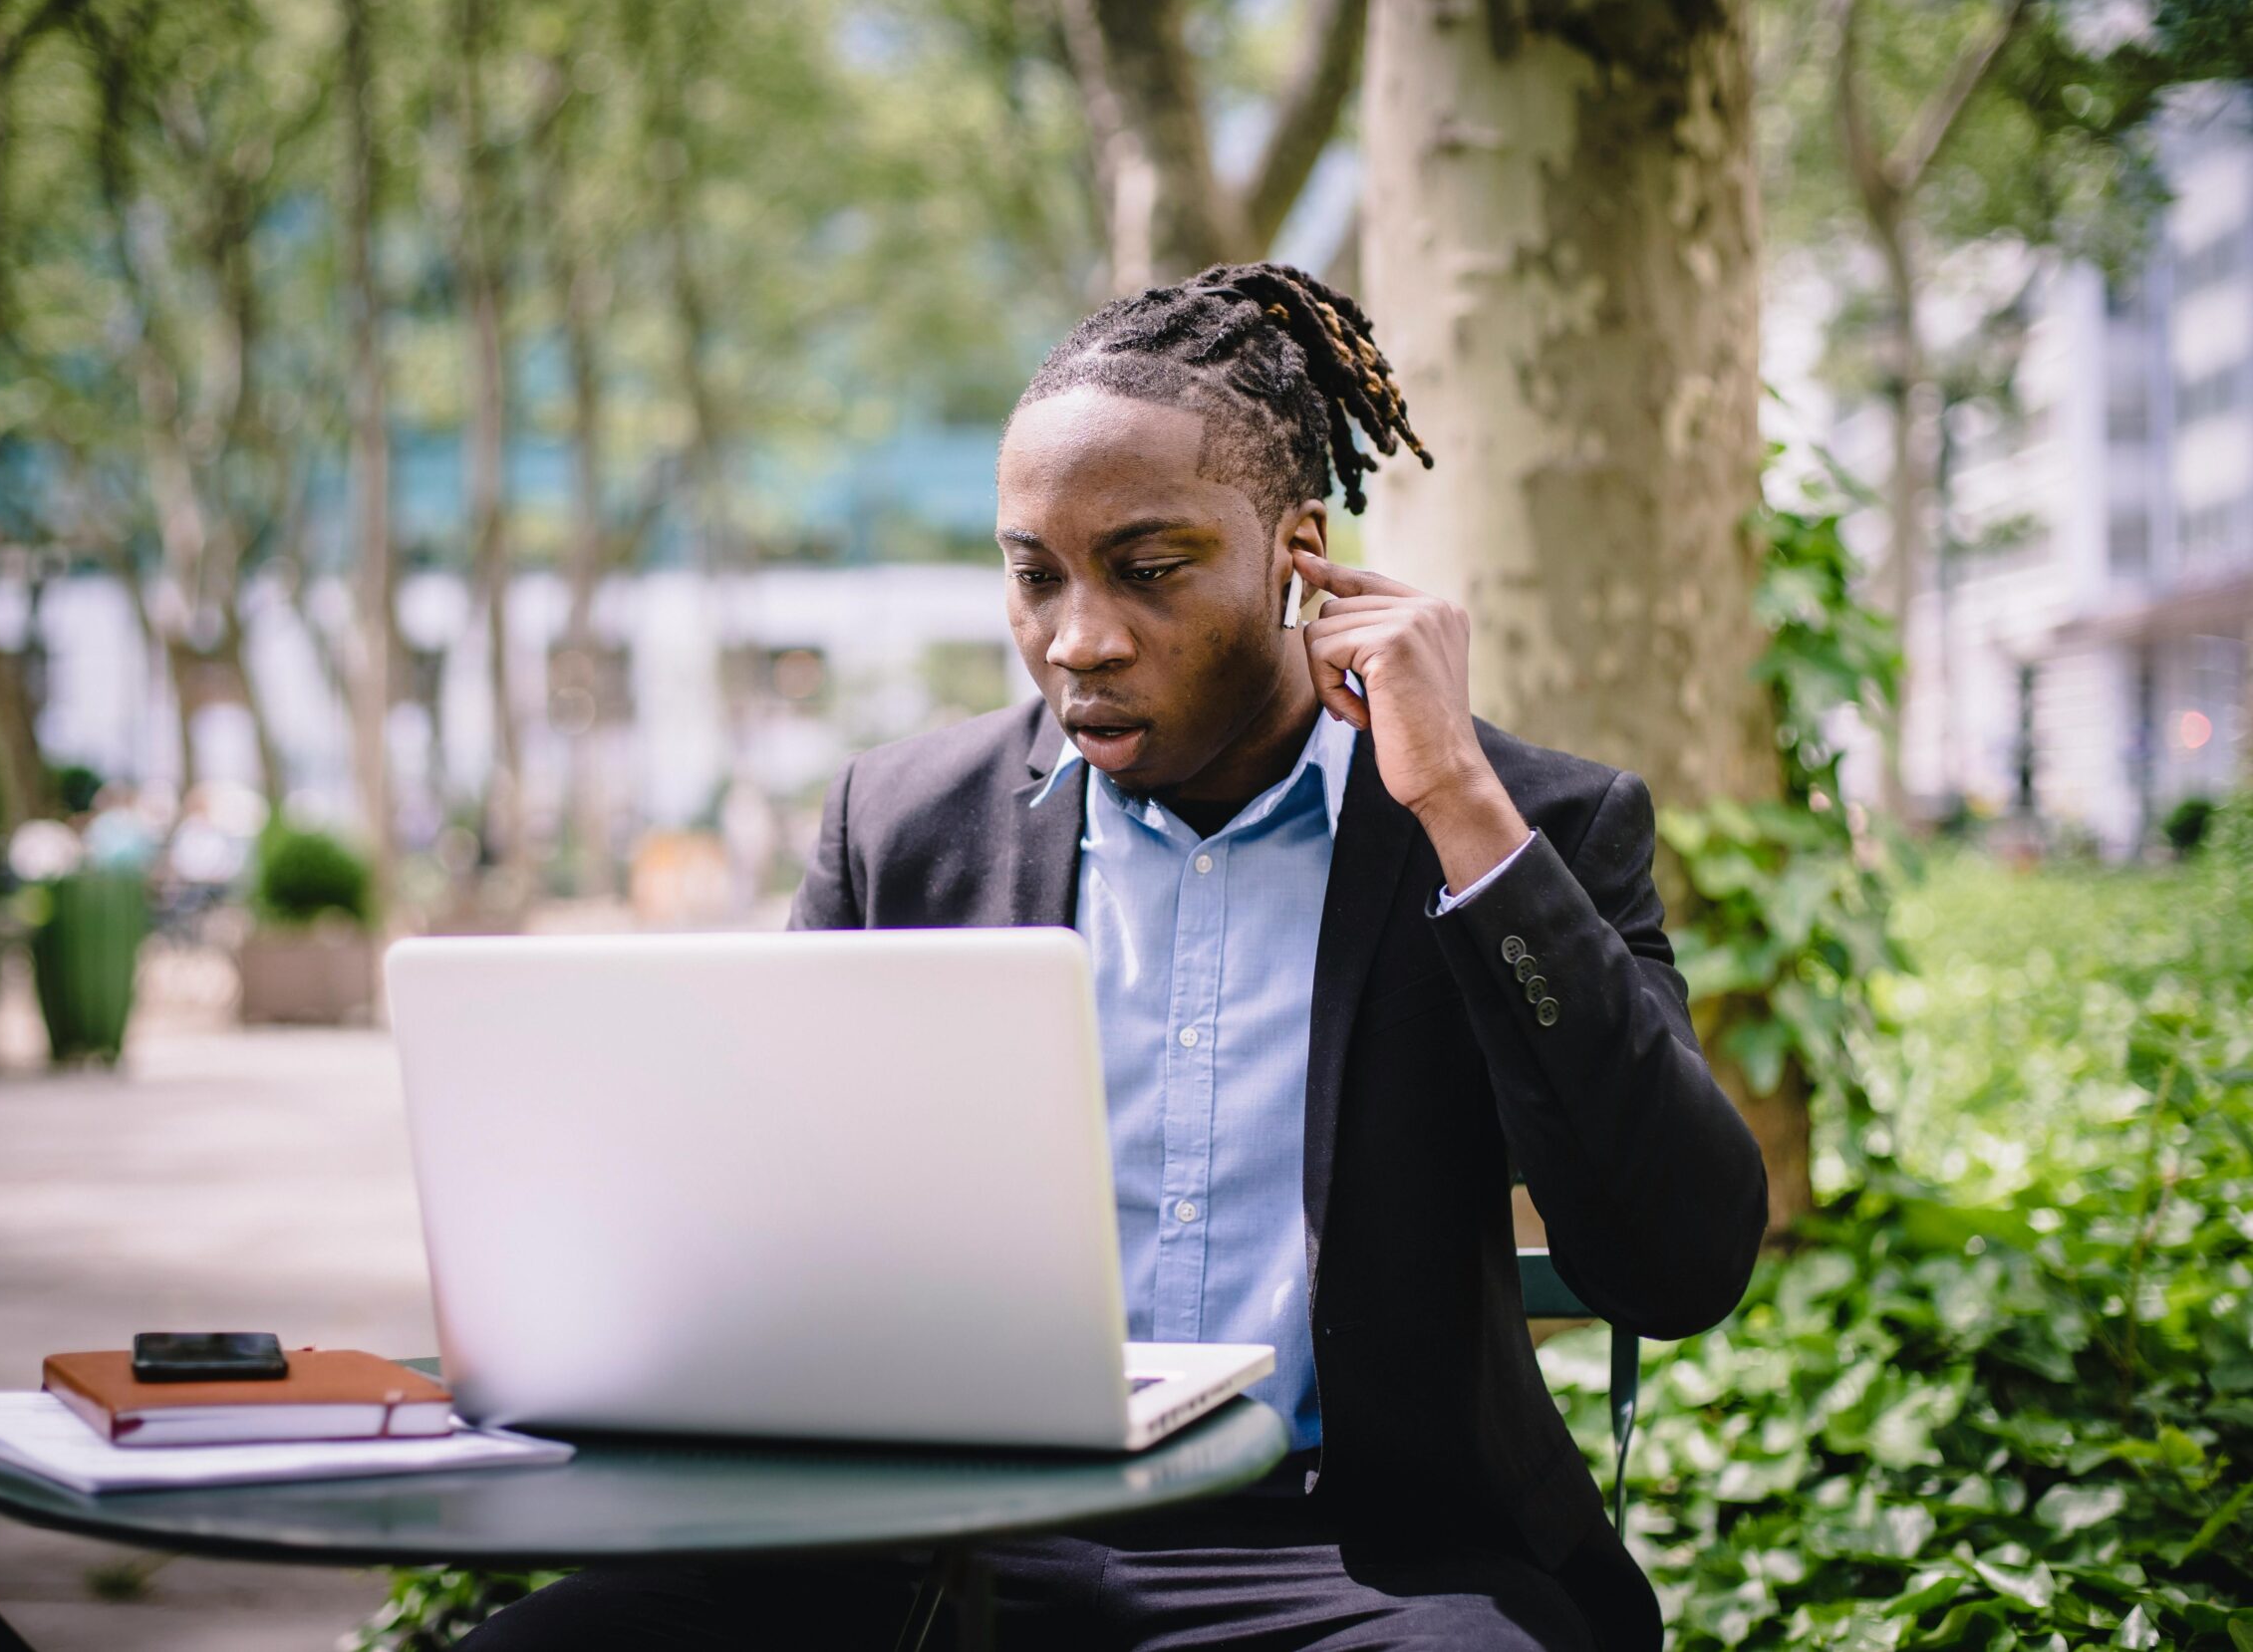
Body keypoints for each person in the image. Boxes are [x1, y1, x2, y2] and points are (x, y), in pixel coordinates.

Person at [462, 260, 1768, 1651]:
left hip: (1349, 1555)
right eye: (1037, 576)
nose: (1079, 639)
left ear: (1296, 556)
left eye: (1149, 570)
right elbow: (787, 1241)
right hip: (934, 1538)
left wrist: (1457, 806)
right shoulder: (904, 830)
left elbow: (1676, 1265)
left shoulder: (1526, 823)